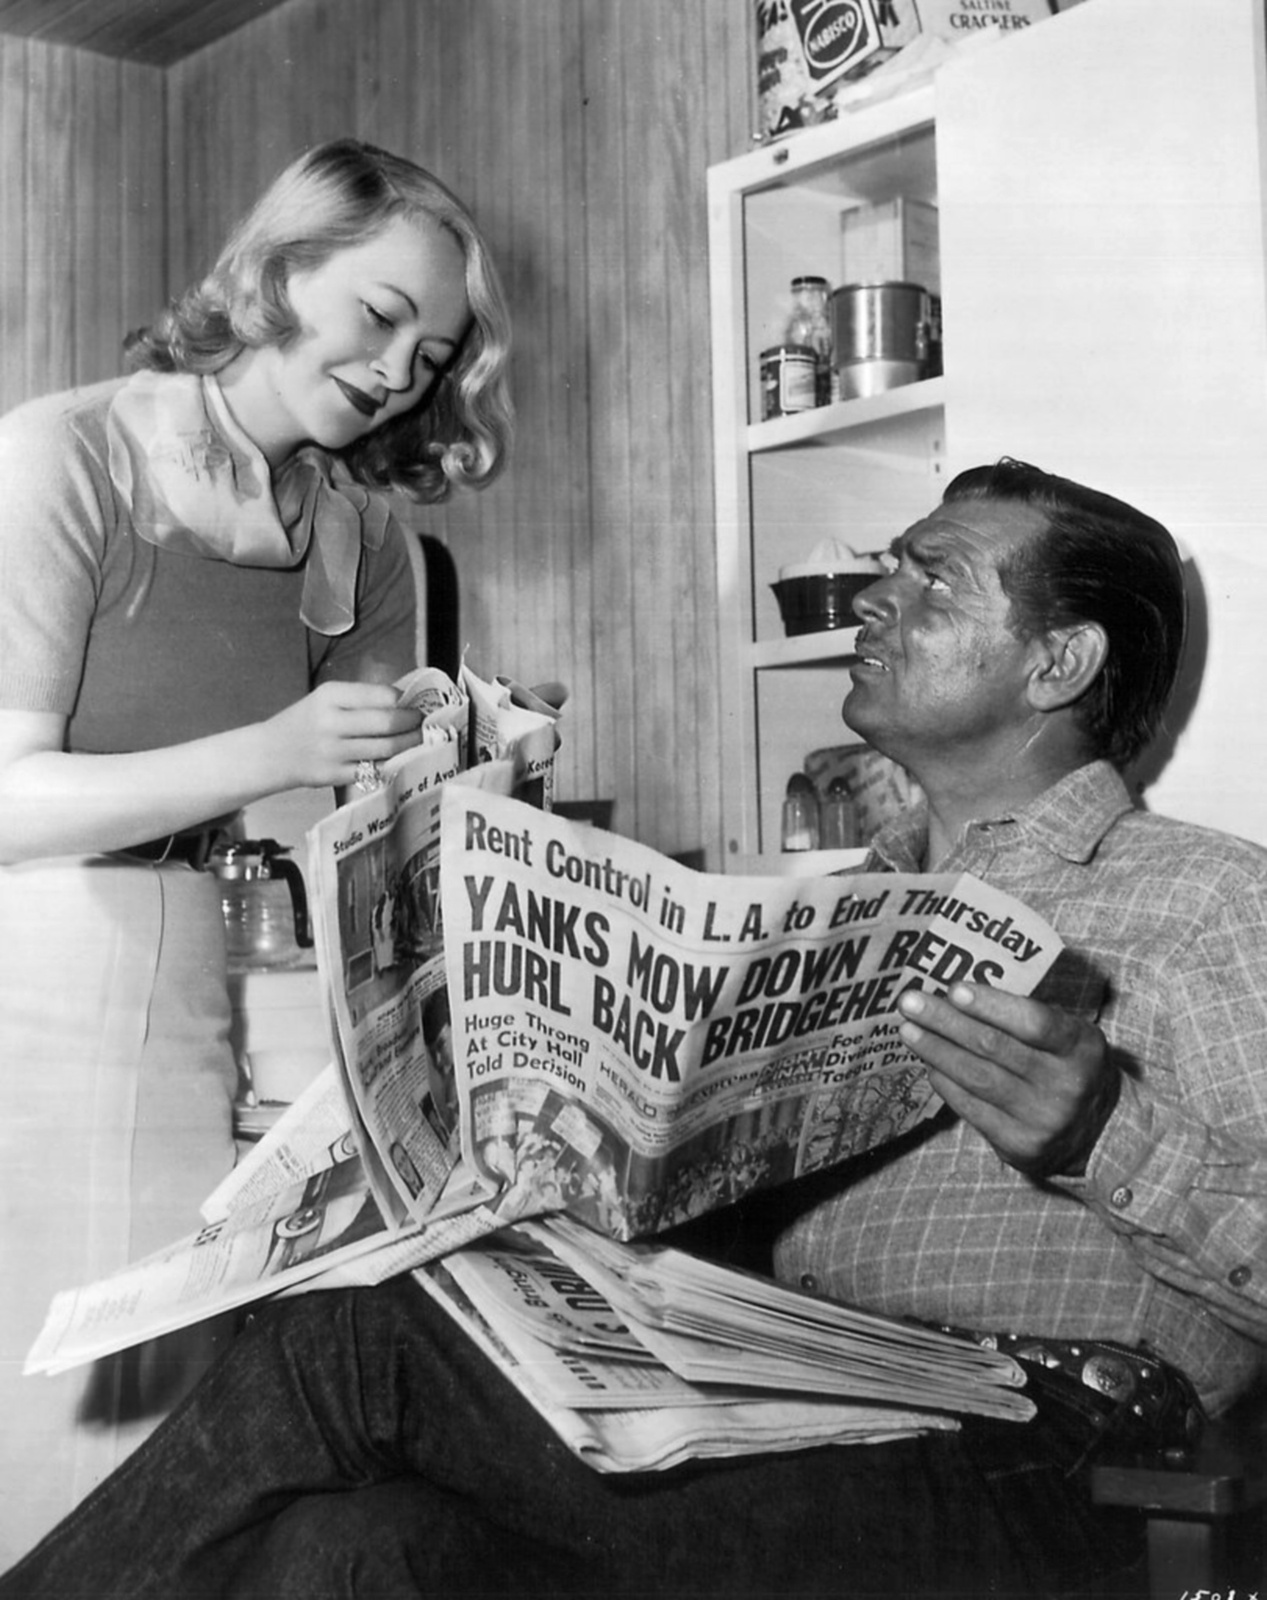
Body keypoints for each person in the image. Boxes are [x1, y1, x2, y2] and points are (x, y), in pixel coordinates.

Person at [6, 459, 1267, 1599]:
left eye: (933, 579)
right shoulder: (824, 917)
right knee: (355, 1542)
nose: (876, 597)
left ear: (1060, 663)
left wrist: (1100, 1131)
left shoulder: (1206, 899)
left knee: (355, 1346)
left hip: (1041, 1454)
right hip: (791, 1395)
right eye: (888, 566)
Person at [0, 137, 512, 1562]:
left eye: (432, 356)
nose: (399, 372)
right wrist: (277, 749)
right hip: (28, 953)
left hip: (179, 965)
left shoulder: (365, 542)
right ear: (281, 271)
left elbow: (374, 823)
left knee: (151, 1410)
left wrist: (474, 763)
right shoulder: (66, 453)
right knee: (47, 1405)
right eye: (381, 316)